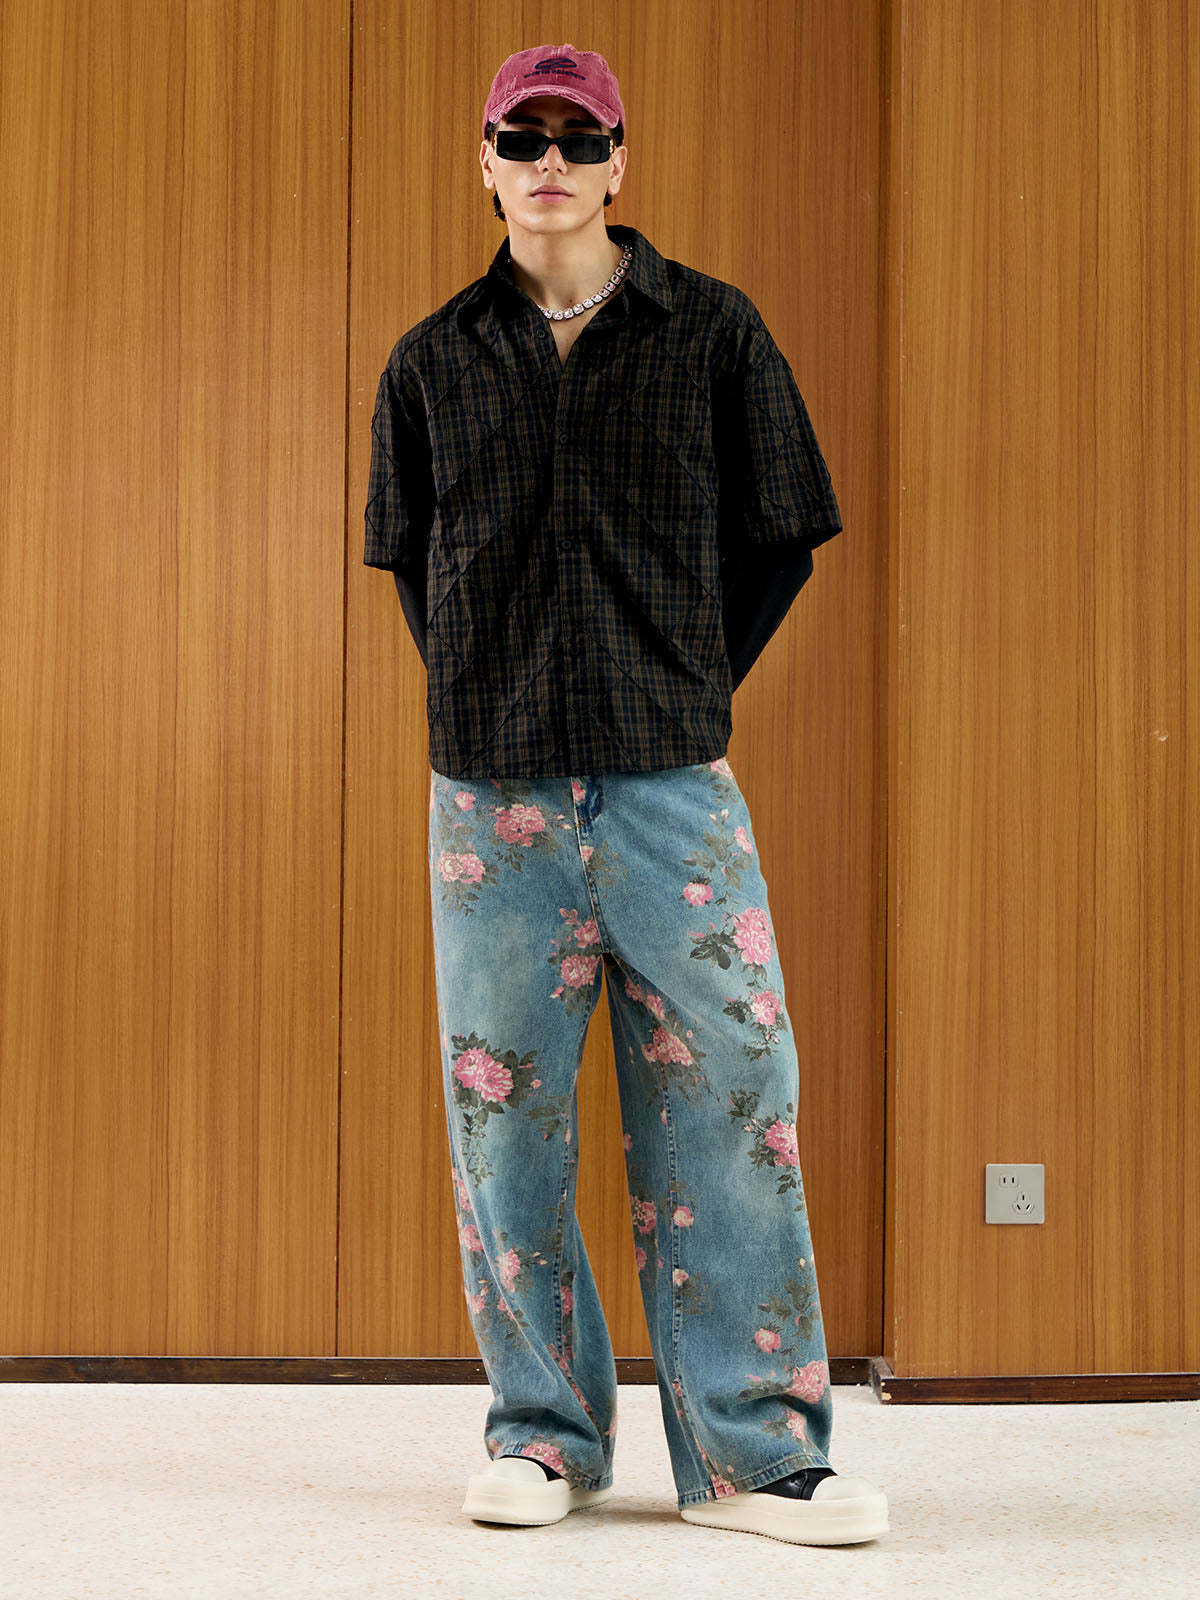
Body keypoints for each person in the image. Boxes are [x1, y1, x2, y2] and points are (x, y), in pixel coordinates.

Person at [364, 43, 889, 1546]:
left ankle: (756, 1458)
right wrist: (490, 695)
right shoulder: (430, 359)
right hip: (494, 803)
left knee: (733, 1097)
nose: (551, 160)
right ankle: (545, 1440)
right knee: (505, 1120)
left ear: (617, 162)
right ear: (484, 160)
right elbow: (414, 559)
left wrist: (686, 677)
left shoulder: (714, 331)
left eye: (578, 137)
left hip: (674, 789)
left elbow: (785, 533)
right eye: (521, 136)